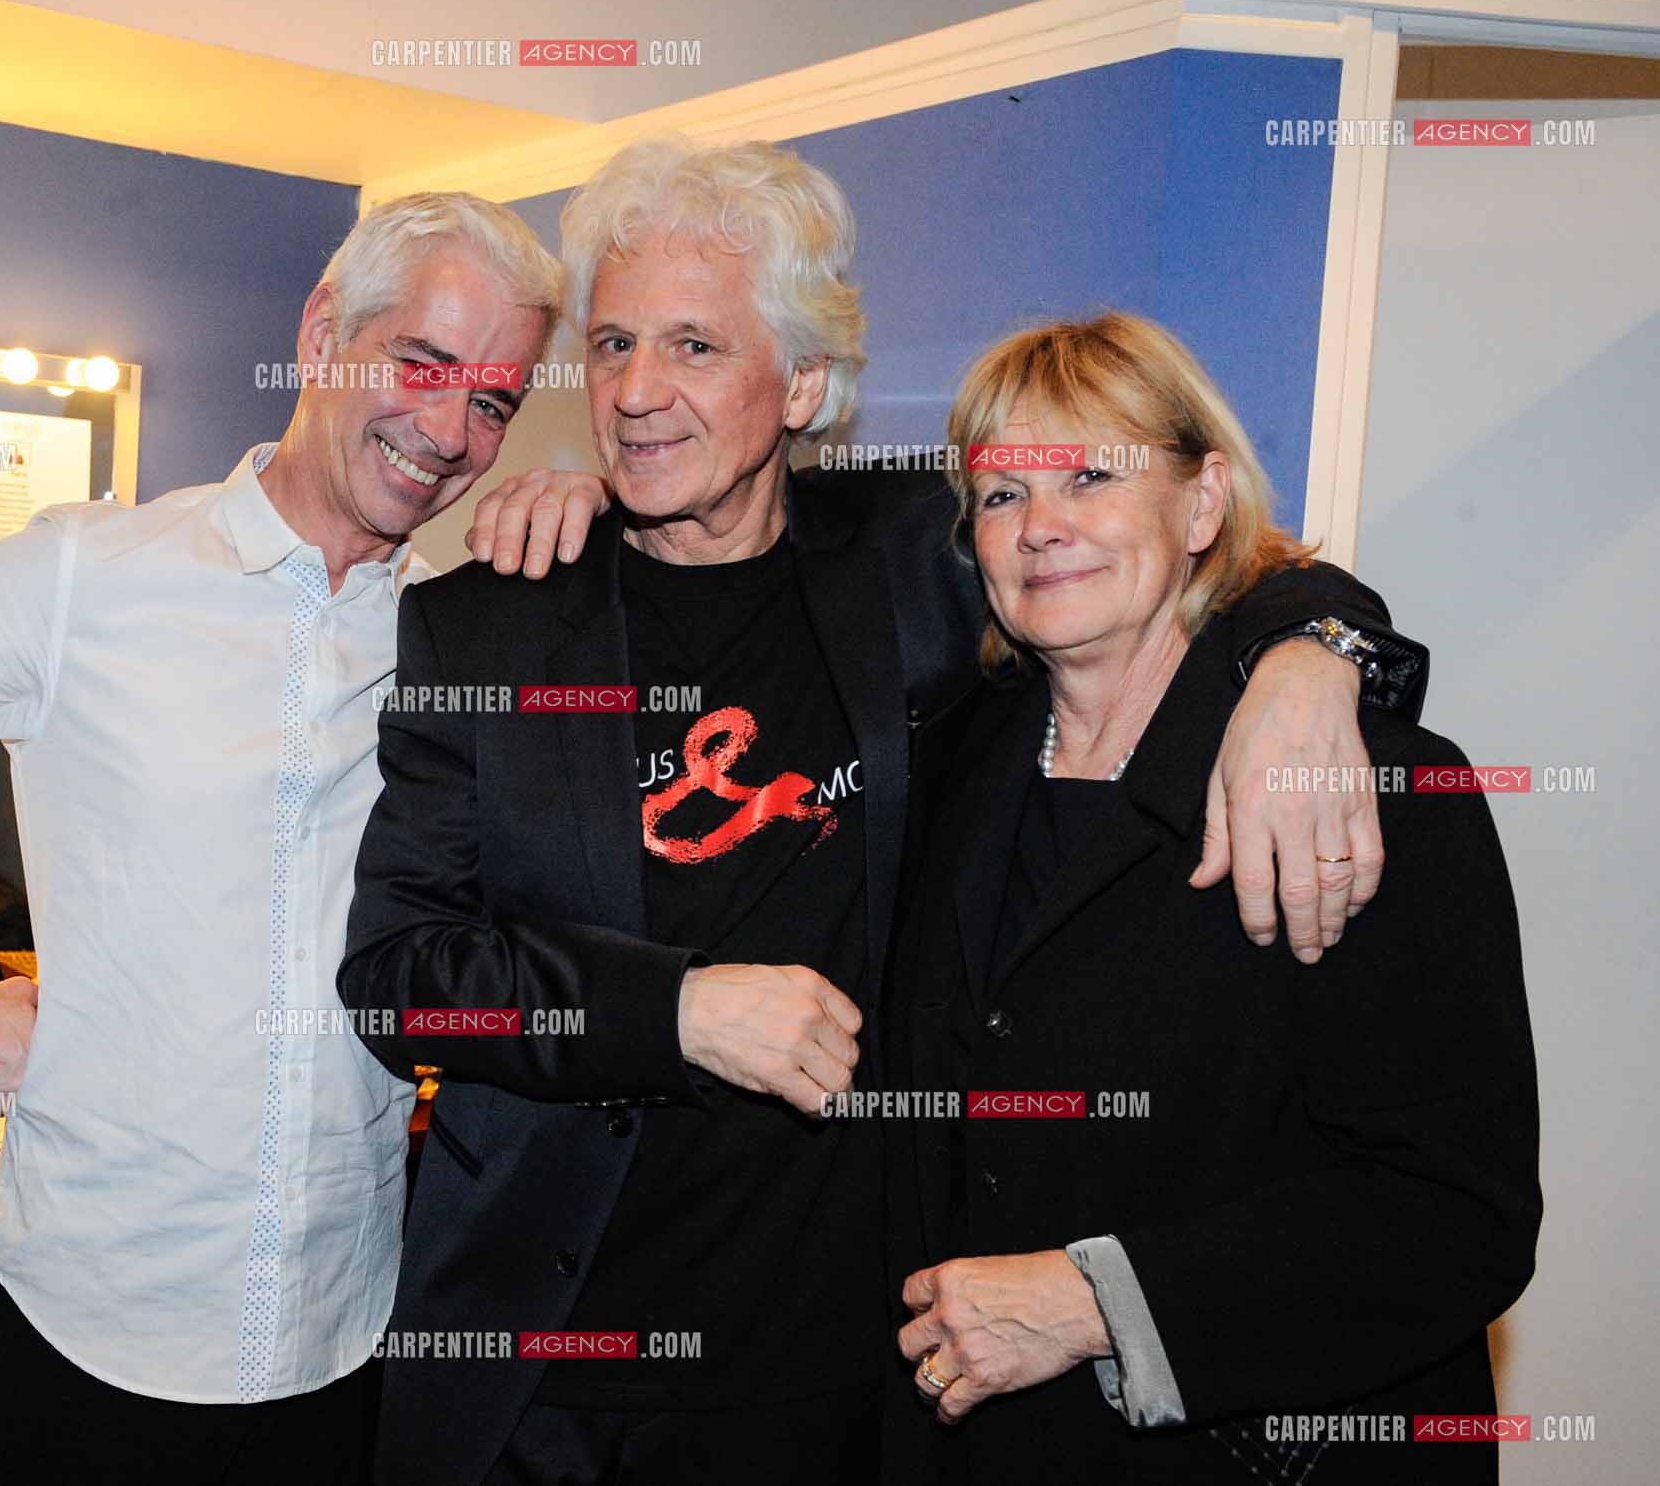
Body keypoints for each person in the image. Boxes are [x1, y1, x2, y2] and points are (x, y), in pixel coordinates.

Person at [337, 137, 1425, 1486]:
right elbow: (397, 978)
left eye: (692, 346)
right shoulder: (486, 621)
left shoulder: (922, 556)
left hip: (849, 1380)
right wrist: (667, 1007)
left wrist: (1317, 662)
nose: (632, 391)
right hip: (547, 1383)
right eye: (611, 344)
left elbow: (1198, 551)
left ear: (799, 384)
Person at [0, 191, 566, 1486]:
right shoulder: (85, 578)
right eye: (422, 366)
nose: (450, 432)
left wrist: (607, 536)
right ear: (325, 329)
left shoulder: (467, 637)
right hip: (80, 1337)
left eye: (495, 402)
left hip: (346, 1340)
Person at [886, 313, 1539, 1482]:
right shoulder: (950, 766)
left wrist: (1096, 1303)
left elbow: (1454, 1214)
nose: (1039, 526)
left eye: (1090, 474)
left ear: (1199, 505)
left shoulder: (1369, 786)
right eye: (997, 495)